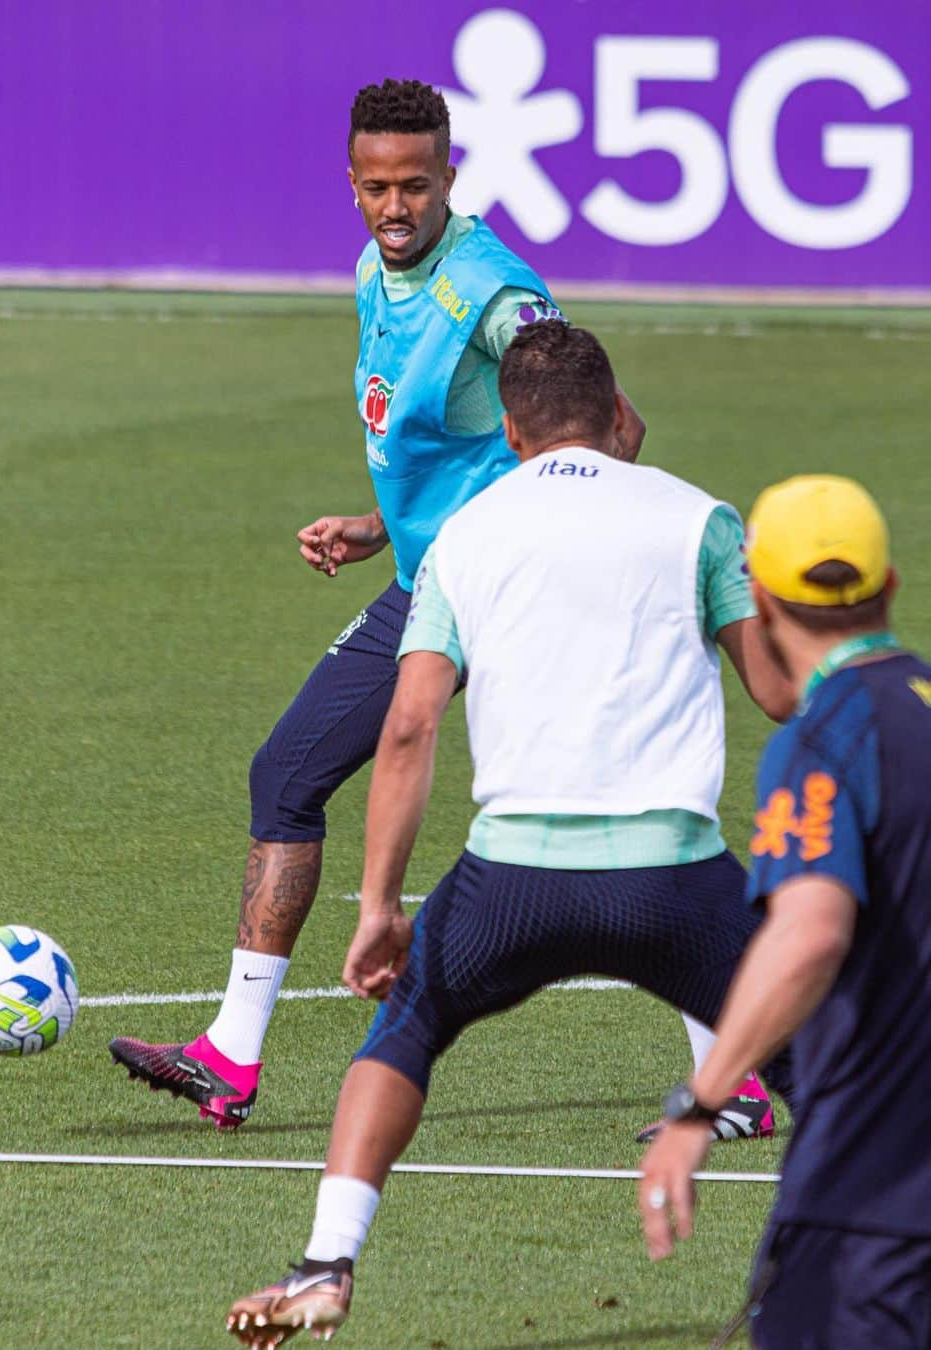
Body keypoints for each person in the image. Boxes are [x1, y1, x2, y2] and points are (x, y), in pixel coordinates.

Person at [108, 77, 668, 1129]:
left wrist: (552, 549)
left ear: (450, 177)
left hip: (512, 588)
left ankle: (734, 1074)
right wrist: (382, 528)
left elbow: (616, 429)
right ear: (354, 183)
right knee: (288, 772)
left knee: (603, 812)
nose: (395, 207)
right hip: (431, 578)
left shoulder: (495, 293)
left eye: (415, 185)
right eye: (376, 187)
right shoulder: (375, 267)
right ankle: (230, 1056)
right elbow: (446, 442)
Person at [223, 321, 798, 1346]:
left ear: (514, 435)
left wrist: (378, 908)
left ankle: (325, 1265)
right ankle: (838, 1270)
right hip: (673, 876)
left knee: (402, 1035)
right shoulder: (698, 518)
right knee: (828, 1063)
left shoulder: (468, 534)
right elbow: (778, 693)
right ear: (619, 416)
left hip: (514, 874)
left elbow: (408, 727)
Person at [639, 474, 930, 1349]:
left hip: (873, 1202)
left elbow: (807, 934)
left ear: (759, 600)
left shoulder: (824, 736)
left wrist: (701, 1103)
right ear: (888, 588)